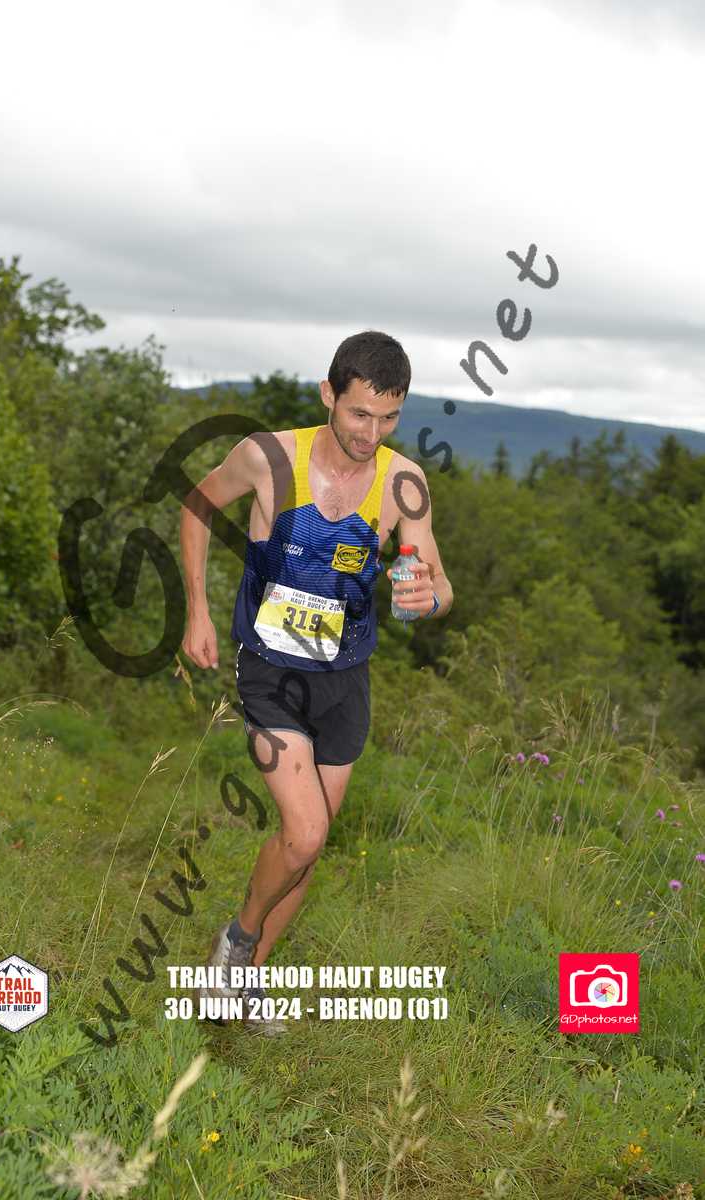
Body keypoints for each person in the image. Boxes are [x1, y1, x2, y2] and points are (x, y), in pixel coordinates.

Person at [179, 330, 453, 1034]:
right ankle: (237, 943)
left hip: (345, 677)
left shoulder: (403, 482)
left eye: (388, 418)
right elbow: (196, 505)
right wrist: (197, 612)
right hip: (271, 667)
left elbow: (436, 582)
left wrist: (426, 596)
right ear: (329, 394)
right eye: (359, 413)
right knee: (302, 834)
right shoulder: (269, 456)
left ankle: (242, 983)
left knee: (311, 846)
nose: (371, 433)